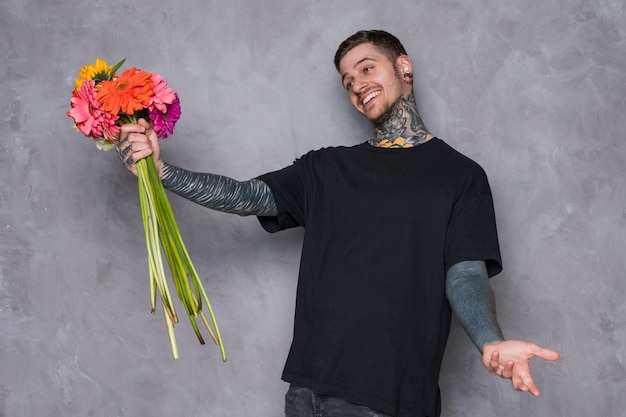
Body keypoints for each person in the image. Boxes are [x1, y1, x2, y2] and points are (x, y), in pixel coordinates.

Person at [118, 30, 560, 417]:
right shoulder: (326, 168)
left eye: (367, 69)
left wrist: (490, 342)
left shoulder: (461, 176)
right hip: (306, 394)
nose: (357, 85)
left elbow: (464, 272)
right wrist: (162, 173)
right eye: (348, 81)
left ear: (403, 66)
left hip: (390, 400)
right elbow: (247, 196)